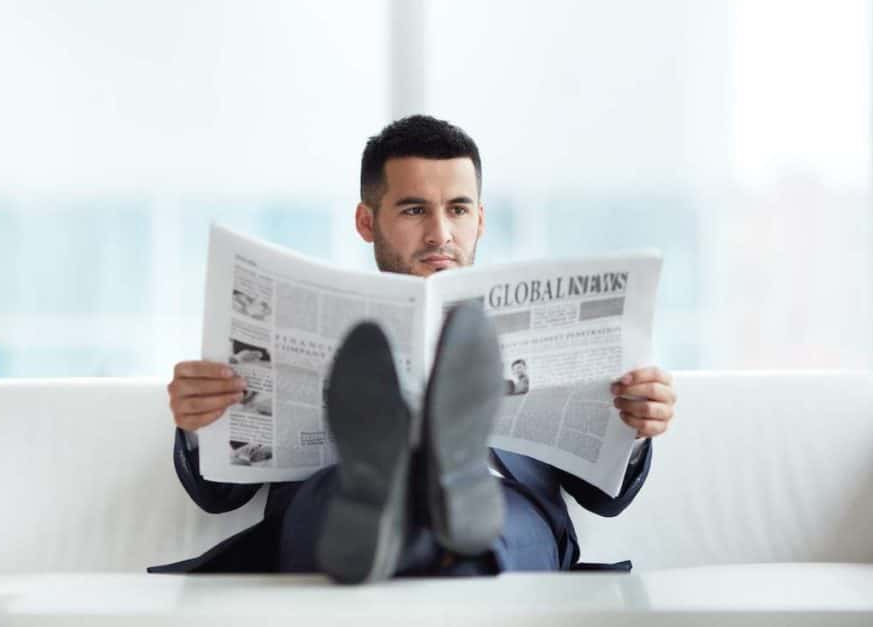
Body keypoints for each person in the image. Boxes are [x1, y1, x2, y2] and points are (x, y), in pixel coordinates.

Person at [150, 115, 677, 582]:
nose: (439, 233)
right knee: (345, 504)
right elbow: (219, 496)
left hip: (507, 503)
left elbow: (605, 500)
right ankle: (409, 496)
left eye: (458, 209)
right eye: (413, 210)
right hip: (338, 494)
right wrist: (202, 426)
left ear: (481, 220)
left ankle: (447, 492)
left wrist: (631, 430)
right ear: (366, 222)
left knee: (493, 527)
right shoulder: (302, 320)